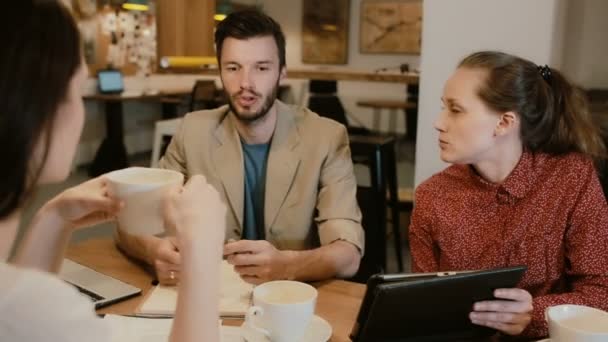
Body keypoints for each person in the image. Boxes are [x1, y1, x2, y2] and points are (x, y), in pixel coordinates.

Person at [0, 1, 225, 341]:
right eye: (77, 90)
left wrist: (54, 216)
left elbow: (18, 306)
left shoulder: (21, 302)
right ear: (38, 108)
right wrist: (203, 255)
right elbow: (28, 312)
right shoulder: (47, 312)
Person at [115, 10, 364, 285]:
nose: (246, 83)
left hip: (290, 301)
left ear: (281, 72)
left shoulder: (326, 137)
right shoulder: (192, 131)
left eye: (261, 67)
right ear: (220, 71)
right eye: (233, 68)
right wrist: (154, 251)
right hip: (211, 297)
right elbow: (129, 227)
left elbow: (348, 255)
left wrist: (288, 265)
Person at [409, 50, 608, 339]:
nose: (438, 122)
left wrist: (535, 313)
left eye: (456, 109)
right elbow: (423, 301)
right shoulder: (432, 196)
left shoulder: (571, 177)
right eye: (443, 107)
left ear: (504, 123)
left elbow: (602, 292)